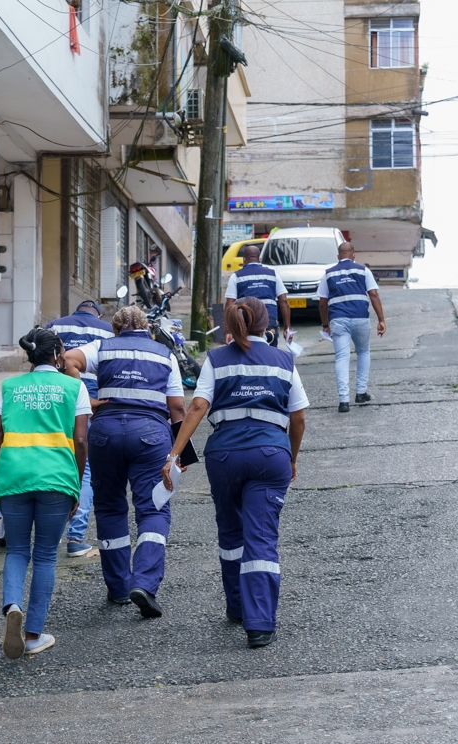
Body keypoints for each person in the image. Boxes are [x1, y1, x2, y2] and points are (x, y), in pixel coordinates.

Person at [164, 297, 307, 649]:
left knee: (231, 532)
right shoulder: (284, 359)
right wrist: (292, 456)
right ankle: (259, 624)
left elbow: (198, 406)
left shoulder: (216, 358)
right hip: (270, 454)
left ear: (230, 325)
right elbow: (299, 416)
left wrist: (175, 453)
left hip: (224, 455)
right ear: (266, 325)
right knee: (261, 537)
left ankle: (237, 607)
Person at [64, 305, 186, 618]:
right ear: (148, 328)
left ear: (116, 329)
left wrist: (86, 398)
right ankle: (144, 582)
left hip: (104, 433)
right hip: (150, 435)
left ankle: (118, 587)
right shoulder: (164, 354)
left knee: (109, 506)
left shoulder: (102, 347)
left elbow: (67, 360)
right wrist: (179, 454)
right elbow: (177, 409)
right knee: (154, 508)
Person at [0, 327, 90, 658]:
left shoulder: (10, 387)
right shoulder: (74, 386)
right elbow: (81, 441)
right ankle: (32, 635)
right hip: (57, 479)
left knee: (17, 550)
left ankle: (12, 606)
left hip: (14, 477)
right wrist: (75, 484)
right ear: (58, 353)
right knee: (46, 555)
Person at [47, 300, 113, 558]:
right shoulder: (108, 329)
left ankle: (49, 531)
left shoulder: (55, 326)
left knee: (57, 457)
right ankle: (76, 537)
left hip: (57, 400)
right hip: (94, 401)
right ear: (97, 313)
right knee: (84, 468)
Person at [318, 241, 387, 413]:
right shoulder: (363, 270)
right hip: (360, 319)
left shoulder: (328, 274)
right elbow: (374, 295)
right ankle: (361, 393)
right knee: (363, 352)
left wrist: (325, 324)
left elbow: (322, 303)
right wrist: (381, 320)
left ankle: (344, 401)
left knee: (342, 358)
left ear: (338, 256)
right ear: (354, 255)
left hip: (338, 320)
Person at [224, 244, 290, 346]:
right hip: (268, 321)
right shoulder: (273, 274)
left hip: (244, 322)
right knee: (270, 353)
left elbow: (229, 303)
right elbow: (283, 301)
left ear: (243, 260)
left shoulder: (236, 277)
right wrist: (287, 328)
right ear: (259, 259)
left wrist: (228, 330)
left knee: (246, 353)